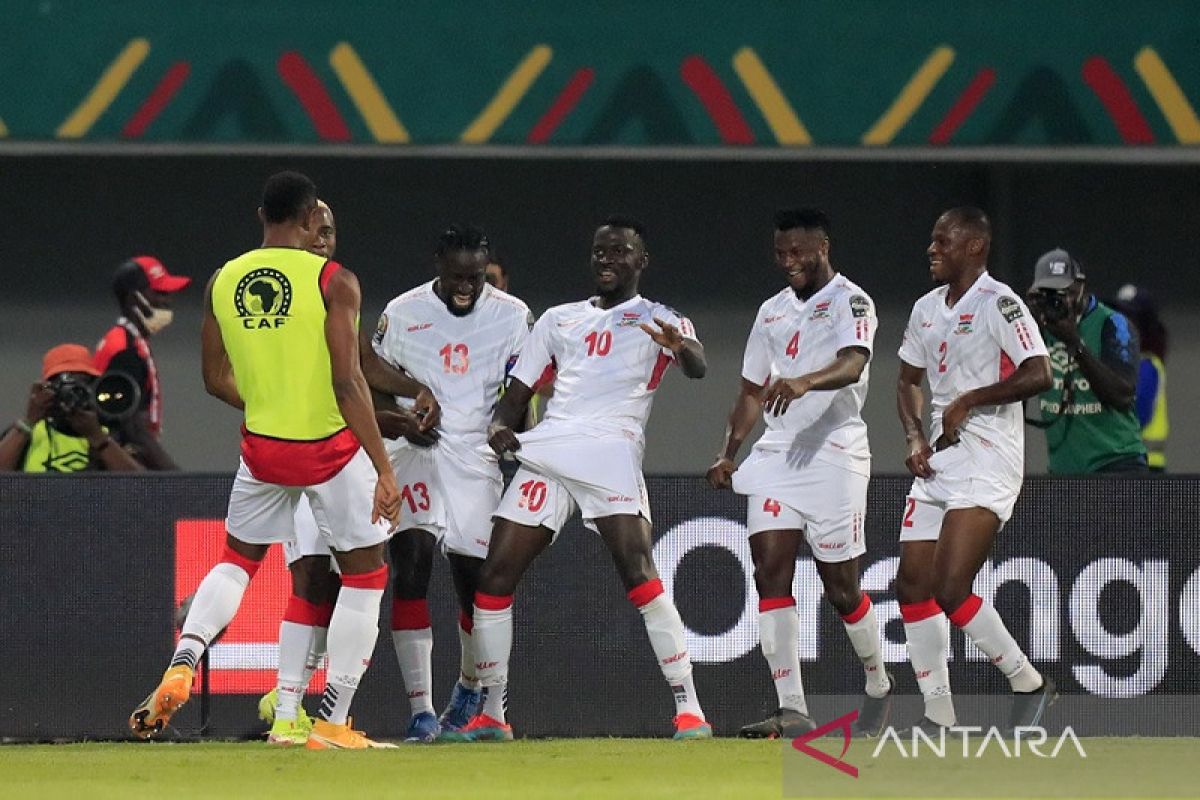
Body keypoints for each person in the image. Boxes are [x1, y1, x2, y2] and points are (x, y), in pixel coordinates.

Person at [128, 171, 402, 750]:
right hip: (328, 450)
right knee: (365, 575)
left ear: (261, 217)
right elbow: (349, 381)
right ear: (309, 221)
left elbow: (213, 378)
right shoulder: (334, 280)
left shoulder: (223, 280)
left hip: (261, 449)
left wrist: (270, 403)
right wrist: (382, 465)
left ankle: (185, 658)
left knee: (236, 561)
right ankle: (332, 722)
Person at [451, 216, 713, 742]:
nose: (607, 260)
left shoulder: (659, 318)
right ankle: (493, 713)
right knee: (492, 579)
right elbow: (515, 397)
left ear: (641, 261)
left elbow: (699, 366)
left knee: (639, 572)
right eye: (599, 252)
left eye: (620, 252)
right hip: (549, 450)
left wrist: (679, 346)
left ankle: (690, 708)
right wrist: (501, 427)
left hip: (610, 450)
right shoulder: (558, 319)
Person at [255, 199, 439, 746]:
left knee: (343, 577)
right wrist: (393, 424)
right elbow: (339, 392)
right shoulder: (296, 297)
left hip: (323, 454)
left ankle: (303, 709)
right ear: (301, 228)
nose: (324, 238)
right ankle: (301, 708)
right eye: (318, 229)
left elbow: (361, 367)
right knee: (320, 576)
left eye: (333, 231)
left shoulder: (334, 291)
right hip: (319, 455)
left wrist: (413, 388)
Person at [706, 209, 892, 739]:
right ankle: (792, 707)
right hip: (778, 451)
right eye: (781, 253)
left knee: (841, 588)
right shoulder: (770, 312)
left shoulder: (851, 301)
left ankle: (879, 680)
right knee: (769, 570)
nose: (789, 262)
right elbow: (749, 391)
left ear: (824, 247)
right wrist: (728, 451)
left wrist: (806, 381)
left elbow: (854, 362)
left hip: (833, 451)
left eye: (799, 253)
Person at [896, 207, 1056, 734]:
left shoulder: (1001, 304)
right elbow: (907, 382)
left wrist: (971, 399)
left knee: (949, 588)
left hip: (989, 457)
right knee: (911, 587)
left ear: (974, 247)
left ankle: (1028, 681)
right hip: (940, 457)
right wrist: (916, 435)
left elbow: (1040, 373)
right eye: (932, 239)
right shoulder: (924, 309)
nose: (932, 248)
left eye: (943, 240)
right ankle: (937, 714)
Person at [373, 224, 534, 743]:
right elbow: (370, 377)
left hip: (475, 459)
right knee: (412, 565)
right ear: (437, 263)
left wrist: (520, 442)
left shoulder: (512, 315)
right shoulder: (401, 312)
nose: (466, 287)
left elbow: (522, 392)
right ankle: (421, 710)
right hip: (415, 453)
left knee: (477, 586)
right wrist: (398, 424)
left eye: (476, 277)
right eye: (457, 276)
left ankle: (475, 691)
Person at [1026, 249, 1147, 473]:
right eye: (1050, 293)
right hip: (1064, 468)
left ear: (1081, 286)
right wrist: (1025, 323)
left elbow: (1122, 394)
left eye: (1066, 292)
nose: (1059, 300)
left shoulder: (1113, 324)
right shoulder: (1037, 329)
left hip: (1116, 462)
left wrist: (1075, 343)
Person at [94, 255, 191, 470]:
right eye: (159, 293)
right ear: (133, 299)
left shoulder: (128, 341)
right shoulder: (125, 350)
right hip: (118, 472)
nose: (167, 301)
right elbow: (133, 430)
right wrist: (178, 480)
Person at [0, 343, 143, 472]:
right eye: (64, 387)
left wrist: (97, 437)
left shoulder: (108, 434)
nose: (73, 395)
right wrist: (29, 421)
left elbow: (141, 489)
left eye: (81, 385)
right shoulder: (28, 433)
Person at [1109, 283, 1168, 471]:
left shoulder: (1147, 366)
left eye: (1129, 316)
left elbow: (1138, 416)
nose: (1121, 322)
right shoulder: (1122, 362)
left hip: (1147, 468)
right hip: (1132, 465)